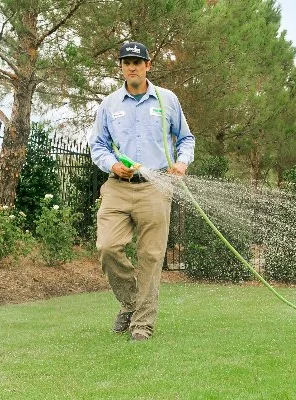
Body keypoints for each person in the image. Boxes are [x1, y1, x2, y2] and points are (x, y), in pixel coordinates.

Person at [89, 41, 195, 342]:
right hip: (118, 187)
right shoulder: (109, 105)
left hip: (155, 187)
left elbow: (185, 139)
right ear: (121, 67)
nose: (132, 66)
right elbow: (98, 145)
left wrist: (182, 162)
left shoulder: (167, 100)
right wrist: (111, 164)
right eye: (126, 62)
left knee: (150, 256)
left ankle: (142, 323)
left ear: (148, 65)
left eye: (137, 61)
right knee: (107, 247)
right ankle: (131, 302)